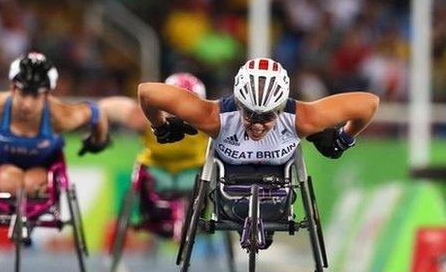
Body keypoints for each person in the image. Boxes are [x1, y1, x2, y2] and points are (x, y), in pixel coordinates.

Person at [137, 57, 379, 244]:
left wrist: (344, 138)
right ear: (239, 104)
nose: (257, 125)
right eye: (250, 114)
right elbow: (146, 92)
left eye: (267, 117)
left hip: (278, 196)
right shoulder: (214, 117)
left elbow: (369, 103)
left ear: (281, 108)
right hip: (228, 197)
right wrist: (161, 127)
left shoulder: (303, 119)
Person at [0, 52, 110, 196]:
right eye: (24, 93)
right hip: (6, 166)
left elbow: (96, 111)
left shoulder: (61, 116)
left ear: (46, 94)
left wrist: (98, 139)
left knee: (29, 185)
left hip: (41, 168)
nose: (27, 104)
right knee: (11, 184)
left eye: (35, 96)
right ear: (13, 88)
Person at [100, 72, 208, 238]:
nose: (180, 110)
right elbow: (107, 107)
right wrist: (99, 127)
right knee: (142, 178)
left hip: (192, 174)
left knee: (210, 175)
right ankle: (154, 216)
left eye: (189, 103)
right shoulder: (145, 116)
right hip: (157, 171)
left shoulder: (208, 120)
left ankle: (193, 218)